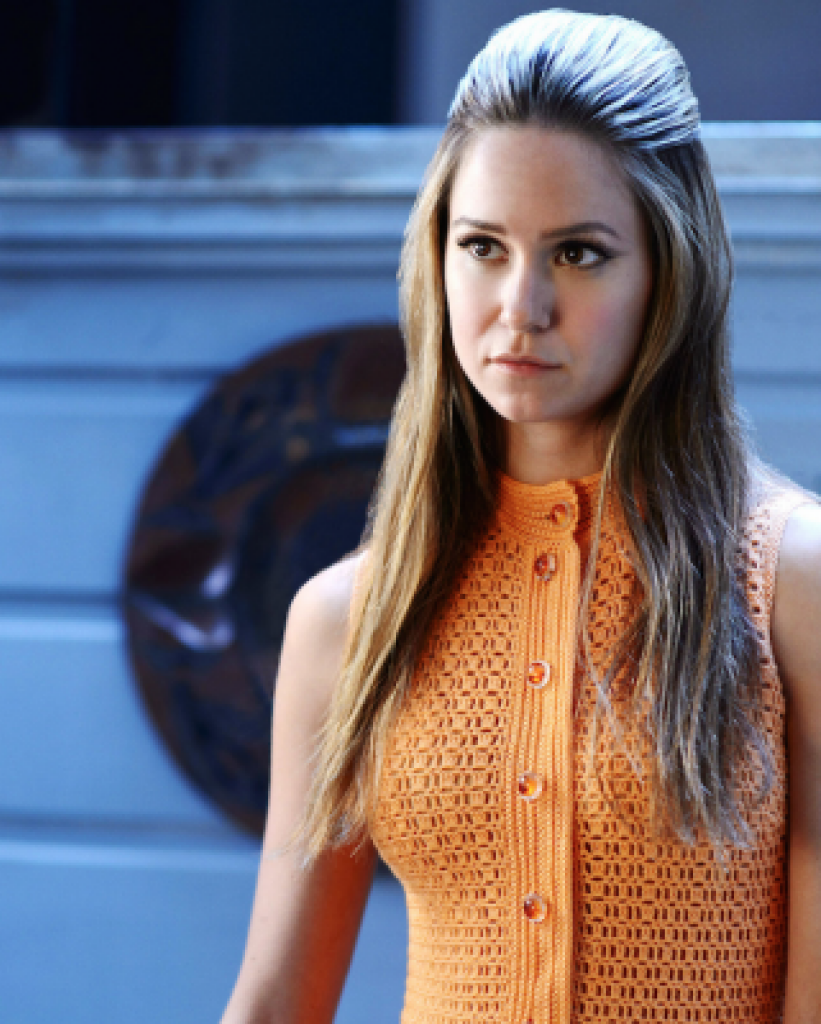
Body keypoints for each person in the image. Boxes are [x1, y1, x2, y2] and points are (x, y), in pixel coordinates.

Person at [220, 9, 821, 1023]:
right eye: (483, 246)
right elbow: (277, 1000)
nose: (521, 306)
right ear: (437, 257)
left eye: (579, 253)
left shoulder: (790, 581)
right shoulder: (349, 619)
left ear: (669, 273)